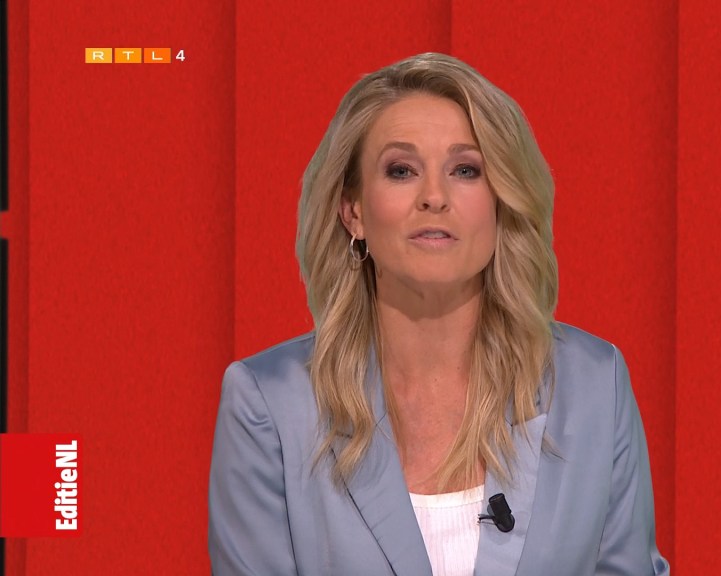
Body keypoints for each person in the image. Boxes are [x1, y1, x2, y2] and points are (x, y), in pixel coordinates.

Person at [208, 52, 669, 576]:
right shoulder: (268, 405)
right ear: (353, 212)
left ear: (501, 203)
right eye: (401, 171)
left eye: (465, 170)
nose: (434, 197)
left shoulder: (594, 386)